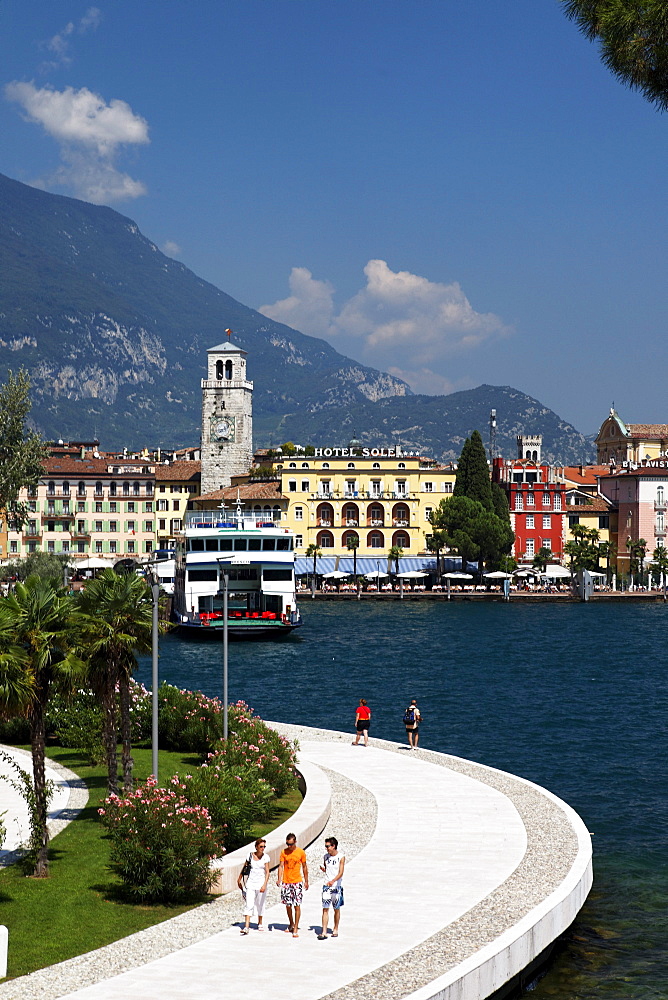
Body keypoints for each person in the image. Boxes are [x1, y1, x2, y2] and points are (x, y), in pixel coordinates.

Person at [277, 832, 309, 937]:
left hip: (297, 881)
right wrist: (279, 879)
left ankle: (296, 927)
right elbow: (281, 866)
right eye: (287, 844)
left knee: (297, 905)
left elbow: (304, 867)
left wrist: (306, 881)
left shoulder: (301, 852)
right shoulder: (283, 852)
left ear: (295, 842)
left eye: (291, 844)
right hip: (286, 881)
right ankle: (291, 923)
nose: (289, 846)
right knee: (288, 905)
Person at [237, 837, 270, 934]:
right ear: (256, 847)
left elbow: (267, 872)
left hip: (261, 883)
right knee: (249, 904)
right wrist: (239, 878)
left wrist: (264, 884)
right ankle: (246, 926)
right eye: (261, 846)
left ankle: (260, 922)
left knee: (260, 903)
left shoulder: (265, 857)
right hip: (250, 883)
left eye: (264, 846)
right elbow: (245, 867)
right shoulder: (250, 856)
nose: (263, 848)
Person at [318, 837, 345, 939]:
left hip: (336, 886)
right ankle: (324, 931)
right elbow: (327, 869)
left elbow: (341, 872)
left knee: (336, 909)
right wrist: (324, 869)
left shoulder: (341, 857)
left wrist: (333, 881)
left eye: (328, 846)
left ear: (333, 846)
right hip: (326, 886)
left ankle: (336, 928)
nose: (326, 848)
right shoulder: (326, 857)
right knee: (325, 908)